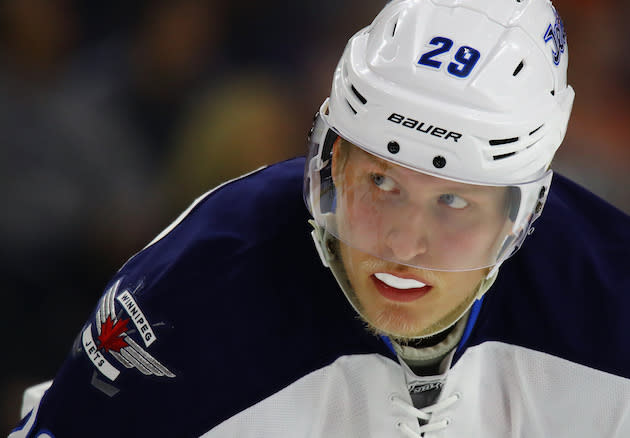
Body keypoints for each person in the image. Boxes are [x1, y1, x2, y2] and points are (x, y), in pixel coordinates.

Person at [9, 0, 630, 437]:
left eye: (454, 202)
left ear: (524, 212)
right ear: (332, 162)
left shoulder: (612, 305)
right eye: (381, 183)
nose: (403, 245)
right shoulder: (189, 297)